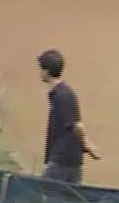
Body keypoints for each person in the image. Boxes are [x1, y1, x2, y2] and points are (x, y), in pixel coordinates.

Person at [39, 49, 100, 184]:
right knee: (70, 200)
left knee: (43, 191)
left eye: (41, 69)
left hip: (63, 159)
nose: (40, 72)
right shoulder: (59, 94)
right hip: (69, 159)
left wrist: (88, 146)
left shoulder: (63, 95)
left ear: (47, 72)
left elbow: (77, 125)